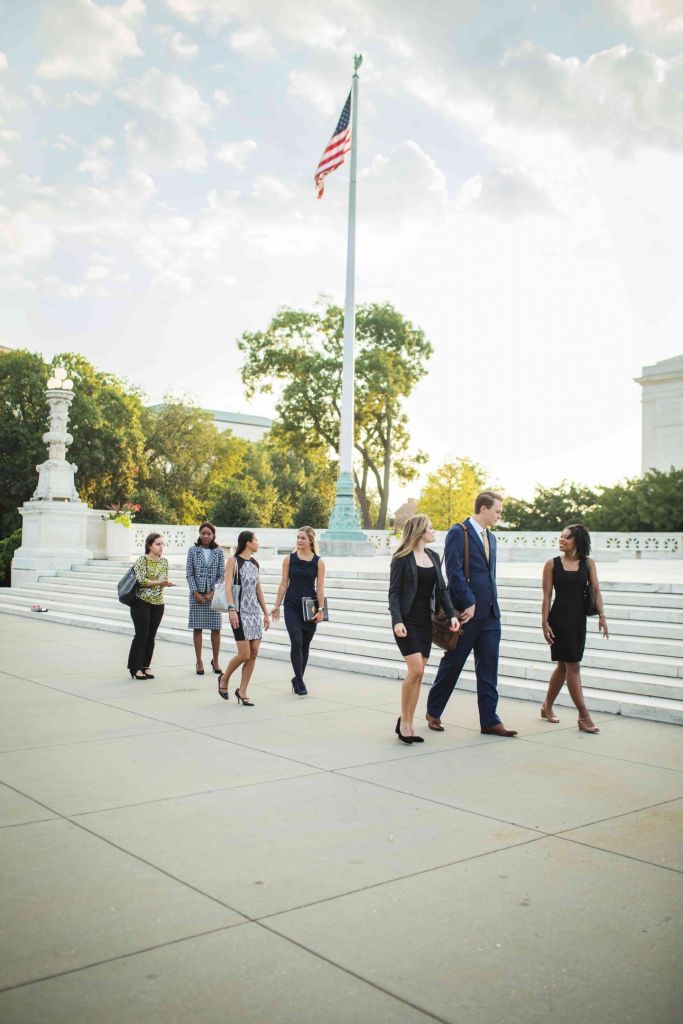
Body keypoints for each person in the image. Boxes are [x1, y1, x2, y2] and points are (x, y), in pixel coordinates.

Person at [426, 491, 517, 736]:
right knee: (453, 664)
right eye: (497, 510)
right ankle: (433, 712)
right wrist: (468, 601)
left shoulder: (493, 539)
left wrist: (490, 606)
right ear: (484, 508)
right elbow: (453, 570)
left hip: (491, 615)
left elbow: (489, 576)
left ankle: (490, 720)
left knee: (489, 669)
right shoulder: (459, 532)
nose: (499, 515)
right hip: (466, 615)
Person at [389, 514, 459, 744]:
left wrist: (451, 615)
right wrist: (397, 620)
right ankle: (405, 722)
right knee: (416, 670)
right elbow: (394, 593)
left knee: (418, 676)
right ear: (419, 531)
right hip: (406, 622)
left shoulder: (434, 556)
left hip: (426, 622)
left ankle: (406, 721)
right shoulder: (401, 558)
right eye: (430, 527)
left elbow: (442, 589)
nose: (433, 531)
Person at [541, 524, 608, 733]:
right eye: (561, 537)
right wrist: (544, 623)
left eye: (567, 538)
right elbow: (546, 596)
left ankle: (546, 707)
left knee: (564, 666)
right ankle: (583, 716)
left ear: (577, 541)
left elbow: (596, 591)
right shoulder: (551, 564)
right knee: (573, 666)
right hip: (559, 620)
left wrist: (602, 615)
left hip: (578, 620)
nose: (562, 540)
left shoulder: (588, 564)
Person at [271, 527, 325, 696]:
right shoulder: (289, 559)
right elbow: (283, 584)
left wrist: (321, 610)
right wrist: (277, 605)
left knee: (305, 645)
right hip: (292, 605)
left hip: (310, 608)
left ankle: (297, 678)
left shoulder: (319, 562)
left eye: (302, 538)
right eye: (298, 538)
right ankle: (300, 681)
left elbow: (320, 588)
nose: (299, 541)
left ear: (310, 540)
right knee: (296, 640)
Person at [218, 531, 270, 705]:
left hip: (254, 612)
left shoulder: (255, 563)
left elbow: (258, 589)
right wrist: (232, 609)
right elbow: (228, 586)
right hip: (239, 612)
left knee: (254, 653)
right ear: (248, 542)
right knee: (244, 653)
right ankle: (224, 679)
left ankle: (242, 690)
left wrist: (266, 613)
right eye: (256, 540)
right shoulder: (233, 561)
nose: (258, 543)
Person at [127, 532, 175, 679]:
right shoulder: (142, 560)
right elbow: (141, 580)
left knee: (151, 636)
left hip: (158, 603)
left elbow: (162, 579)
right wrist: (159, 583)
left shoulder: (164, 561)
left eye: (162, 544)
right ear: (150, 546)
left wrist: (163, 583)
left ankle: (145, 666)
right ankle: (135, 668)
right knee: (141, 635)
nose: (161, 547)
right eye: (158, 544)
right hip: (141, 602)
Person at [186, 522, 226, 676]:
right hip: (196, 596)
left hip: (213, 596)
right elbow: (189, 573)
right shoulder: (193, 551)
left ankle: (215, 660)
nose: (206, 536)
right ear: (199, 534)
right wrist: (195, 592)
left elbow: (221, 575)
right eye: (203, 533)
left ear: (213, 535)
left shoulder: (219, 552)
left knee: (216, 628)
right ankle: (199, 661)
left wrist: (212, 593)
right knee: (198, 628)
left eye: (209, 533)